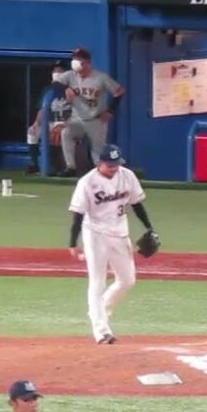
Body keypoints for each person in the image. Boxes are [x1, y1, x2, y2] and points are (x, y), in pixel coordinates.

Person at [68, 144, 155, 344]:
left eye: (116, 164)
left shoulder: (127, 176)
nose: (114, 168)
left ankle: (101, 308)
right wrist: (73, 242)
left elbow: (137, 204)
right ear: (99, 163)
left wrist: (149, 227)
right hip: (95, 234)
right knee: (97, 281)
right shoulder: (87, 182)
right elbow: (78, 215)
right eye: (110, 165)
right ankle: (101, 331)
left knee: (127, 280)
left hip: (120, 233)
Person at [57, 47, 125, 177]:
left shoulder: (100, 77)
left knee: (97, 153)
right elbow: (54, 84)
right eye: (74, 59)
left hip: (96, 119)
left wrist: (111, 110)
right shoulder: (70, 75)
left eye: (79, 59)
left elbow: (119, 91)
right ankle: (70, 167)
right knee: (66, 133)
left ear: (87, 62)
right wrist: (65, 88)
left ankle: (102, 173)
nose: (75, 62)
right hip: (77, 118)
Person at [26, 63, 72, 175]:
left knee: (62, 134)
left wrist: (64, 124)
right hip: (50, 121)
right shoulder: (48, 89)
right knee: (32, 132)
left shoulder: (72, 89)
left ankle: (66, 167)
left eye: (60, 71)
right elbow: (42, 109)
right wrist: (36, 123)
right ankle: (34, 164)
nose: (56, 73)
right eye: (55, 71)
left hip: (67, 122)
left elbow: (78, 111)